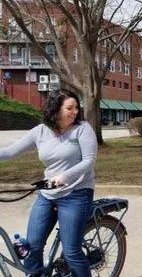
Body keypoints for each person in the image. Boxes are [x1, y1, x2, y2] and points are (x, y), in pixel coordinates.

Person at [0, 89, 97, 277]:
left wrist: (64, 176)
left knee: (71, 252)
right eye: (70, 108)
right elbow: (11, 152)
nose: (75, 111)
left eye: (76, 107)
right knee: (32, 247)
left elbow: (89, 161)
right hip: (47, 193)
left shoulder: (82, 129)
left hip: (77, 193)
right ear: (55, 110)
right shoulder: (40, 131)